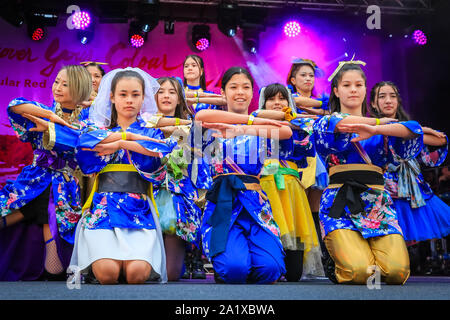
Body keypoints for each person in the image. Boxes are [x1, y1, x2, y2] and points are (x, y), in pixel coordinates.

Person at [313, 60, 424, 285]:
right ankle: (336, 260)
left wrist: (375, 128)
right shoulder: (325, 122)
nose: (353, 89)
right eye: (346, 85)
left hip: (377, 203)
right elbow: (340, 123)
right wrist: (376, 121)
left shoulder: (381, 128)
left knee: (397, 273)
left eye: (358, 85)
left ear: (365, 89)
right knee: (358, 273)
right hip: (340, 202)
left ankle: (363, 253)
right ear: (336, 90)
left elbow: (414, 129)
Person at [68, 68, 175, 284]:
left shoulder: (151, 132)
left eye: (135, 95)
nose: (129, 100)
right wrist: (130, 142)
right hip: (103, 206)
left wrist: (120, 142)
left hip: (139, 208)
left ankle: (128, 264)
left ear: (143, 97)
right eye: (123, 94)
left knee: (137, 276)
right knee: (107, 275)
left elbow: (160, 150)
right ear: (112, 97)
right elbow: (85, 153)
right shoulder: (95, 128)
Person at [195, 67, 291, 284]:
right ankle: (232, 262)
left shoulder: (258, 121)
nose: (240, 92)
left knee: (271, 270)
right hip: (224, 203)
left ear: (252, 93)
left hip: (255, 203)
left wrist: (244, 126)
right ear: (223, 93)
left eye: (246, 87)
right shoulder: (211, 119)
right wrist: (250, 123)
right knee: (235, 271)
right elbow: (200, 116)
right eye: (234, 87)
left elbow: (286, 131)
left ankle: (245, 259)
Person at [0, 65, 92, 281]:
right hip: (32, 181)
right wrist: (52, 116)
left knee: (56, 268)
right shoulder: (42, 112)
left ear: (79, 89)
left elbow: (80, 144)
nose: (57, 87)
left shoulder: (87, 124)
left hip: (64, 187)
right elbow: (14, 106)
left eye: (65, 84)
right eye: (57, 82)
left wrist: (56, 128)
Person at [254, 83, 324, 280]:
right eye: (271, 99)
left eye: (282, 99)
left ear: (289, 101)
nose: (277, 103)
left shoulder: (302, 127)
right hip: (264, 187)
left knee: (293, 273)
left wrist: (294, 121)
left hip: (291, 188)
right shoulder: (253, 122)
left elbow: (307, 152)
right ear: (263, 103)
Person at [370, 81, 450, 242]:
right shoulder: (371, 129)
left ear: (398, 101)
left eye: (392, 96)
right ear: (373, 103)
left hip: (413, 193)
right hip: (385, 194)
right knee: (392, 243)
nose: (388, 101)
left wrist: (415, 131)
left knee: (410, 245)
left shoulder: (411, 129)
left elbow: (440, 141)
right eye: (382, 96)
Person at [145, 76, 203, 281]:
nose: (166, 96)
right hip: (147, 196)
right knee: (145, 274)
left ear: (180, 99)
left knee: (169, 274)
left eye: (172, 92)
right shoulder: (143, 126)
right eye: (161, 91)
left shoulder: (192, 128)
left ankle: (189, 257)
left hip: (177, 197)